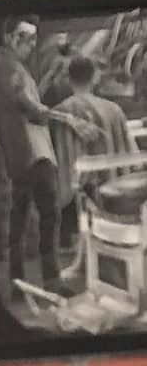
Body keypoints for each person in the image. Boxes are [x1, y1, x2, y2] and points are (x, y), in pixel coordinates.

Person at [0, 15, 98, 292]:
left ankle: (17, 282)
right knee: (49, 214)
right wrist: (71, 120)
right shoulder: (8, 69)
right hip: (33, 154)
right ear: (10, 38)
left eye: (35, 38)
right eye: (27, 38)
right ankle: (51, 280)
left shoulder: (6, 69)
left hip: (22, 155)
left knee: (20, 217)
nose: (33, 45)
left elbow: (29, 102)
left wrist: (46, 80)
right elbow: (33, 109)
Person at [52, 52, 136, 258]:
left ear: (69, 79)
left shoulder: (62, 112)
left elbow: (58, 161)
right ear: (95, 78)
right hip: (111, 192)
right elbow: (131, 154)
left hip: (74, 194)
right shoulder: (113, 109)